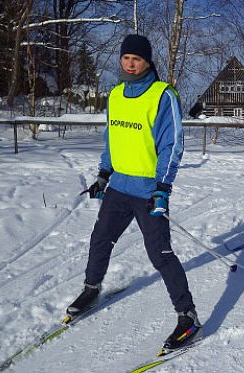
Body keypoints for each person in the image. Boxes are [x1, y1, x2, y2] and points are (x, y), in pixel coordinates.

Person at [68, 34, 201, 353]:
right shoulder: (114, 95)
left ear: (147, 61)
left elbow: (173, 145)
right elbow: (112, 138)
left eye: (136, 59)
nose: (130, 63)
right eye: (126, 58)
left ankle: (187, 315)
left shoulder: (162, 95)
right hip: (118, 188)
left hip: (148, 191)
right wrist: (103, 173)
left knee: (160, 254)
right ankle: (91, 288)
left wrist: (162, 189)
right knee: (100, 239)